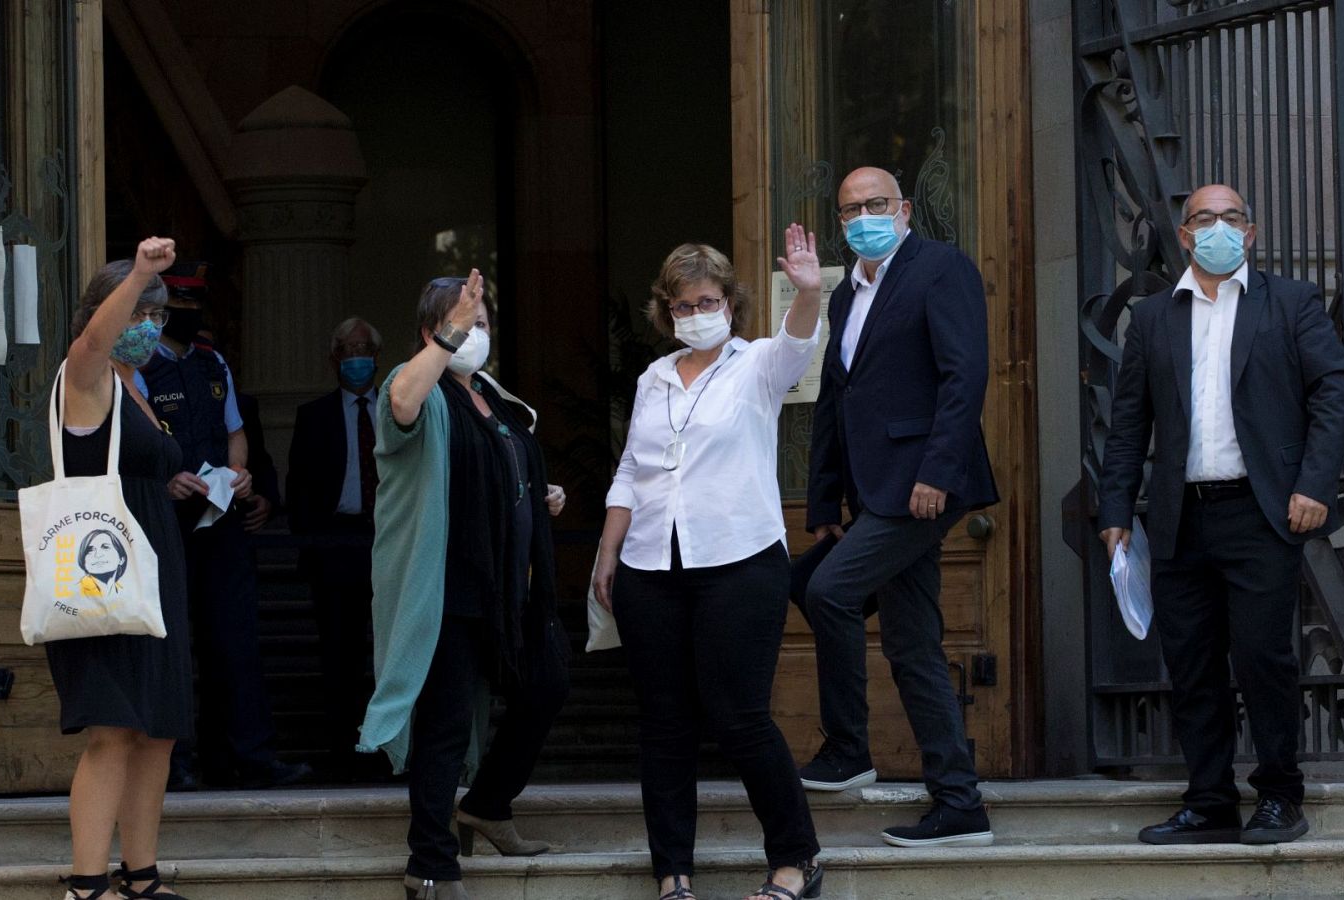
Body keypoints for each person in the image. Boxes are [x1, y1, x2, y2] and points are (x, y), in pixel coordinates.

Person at [1098, 184, 1344, 845]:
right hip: (1182, 517)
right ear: (1183, 235)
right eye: (1203, 218)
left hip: (1262, 513)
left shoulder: (1290, 304)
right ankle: (1209, 801)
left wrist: (1313, 484)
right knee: (1190, 663)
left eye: (1230, 218)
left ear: (1251, 231)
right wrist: (1116, 509)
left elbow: (1333, 393)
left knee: (1265, 659)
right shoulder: (1153, 318)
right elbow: (1129, 422)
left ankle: (1279, 797)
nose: (1218, 227)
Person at [594, 235, 825, 900]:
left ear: (729, 303)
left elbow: (797, 343)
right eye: (685, 302)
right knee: (664, 723)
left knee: (740, 716)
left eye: (710, 300)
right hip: (649, 567)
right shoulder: (653, 377)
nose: (699, 310)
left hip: (740, 562)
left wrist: (809, 290)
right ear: (666, 311)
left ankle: (795, 860)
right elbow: (632, 471)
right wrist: (608, 551)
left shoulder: (755, 365)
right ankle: (673, 874)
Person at [794, 166, 1000, 848]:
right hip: (872, 489)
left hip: (924, 486)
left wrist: (938, 469)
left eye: (875, 204)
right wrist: (824, 493)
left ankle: (848, 747)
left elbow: (964, 375)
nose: (863, 218)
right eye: (850, 210)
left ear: (904, 208)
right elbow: (835, 395)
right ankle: (959, 802)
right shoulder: (845, 294)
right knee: (913, 645)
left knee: (827, 590)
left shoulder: (941, 269)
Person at [356, 271, 570, 900]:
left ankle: (487, 805)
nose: (475, 333)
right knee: (447, 722)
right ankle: (430, 861)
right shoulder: (412, 386)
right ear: (429, 333)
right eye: (460, 322)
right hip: (447, 586)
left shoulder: (495, 400)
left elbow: (508, 470)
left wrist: (538, 493)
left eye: (481, 322)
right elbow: (401, 405)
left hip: (510, 586)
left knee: (549, 682)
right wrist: (445, 344)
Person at [48, 237, 192, 900]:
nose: (151, 328)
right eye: (141, 313)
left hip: (154, 570)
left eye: (160, 317)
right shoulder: (86, 371)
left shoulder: (136, 389)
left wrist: (180, 479)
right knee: (112, 730)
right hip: (99, 573)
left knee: (156, 731)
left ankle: (141, 876)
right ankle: (85, 884)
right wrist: (136, 274)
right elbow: (96, 343)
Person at [137, 261, 308, 791]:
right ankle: (174, 759)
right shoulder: (138, 365)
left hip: (220, 518)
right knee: (170, 641)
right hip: (164, 521)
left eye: (195, 307)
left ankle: (250, 756)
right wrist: (165, 482)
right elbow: (134, 442)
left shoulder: (214, 365)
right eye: (178, 308)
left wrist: (240, 473)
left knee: (235, 637)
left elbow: (236, 431)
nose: (188, 316)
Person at [288, 316, 383, 776]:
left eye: (364, 349)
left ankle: (388, 746)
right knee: (339, 653)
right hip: (335, 545)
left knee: (386, 651)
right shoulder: (314, 416)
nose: (357, 358)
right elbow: (299, 488)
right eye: (348, 349)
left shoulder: (398, 409)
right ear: (334, 359)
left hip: (389, 543)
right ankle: (344, 749)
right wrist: (310, 548)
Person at [77, 529, 128, 598]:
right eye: (90, 550)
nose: (97, 555)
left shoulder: (125, 592)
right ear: (83, 561)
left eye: (105, 547)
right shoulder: (77, 590)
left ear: (121, 559)